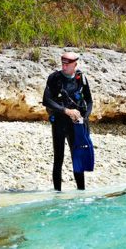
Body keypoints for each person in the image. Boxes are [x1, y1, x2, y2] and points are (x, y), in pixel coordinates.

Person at [42, 51, 93, 191]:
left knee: (77, 157)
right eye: (62, 64)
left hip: (76, 125)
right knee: (58, 158)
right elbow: (46, 101)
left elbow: (89, 100)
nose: (64, 67)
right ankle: (57, 193)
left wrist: (85, 117)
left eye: (67, 64)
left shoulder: (81, 78)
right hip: (59, 122)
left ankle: (81, 192)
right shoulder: (54, 78)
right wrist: (66, 111)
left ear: (75, 64)